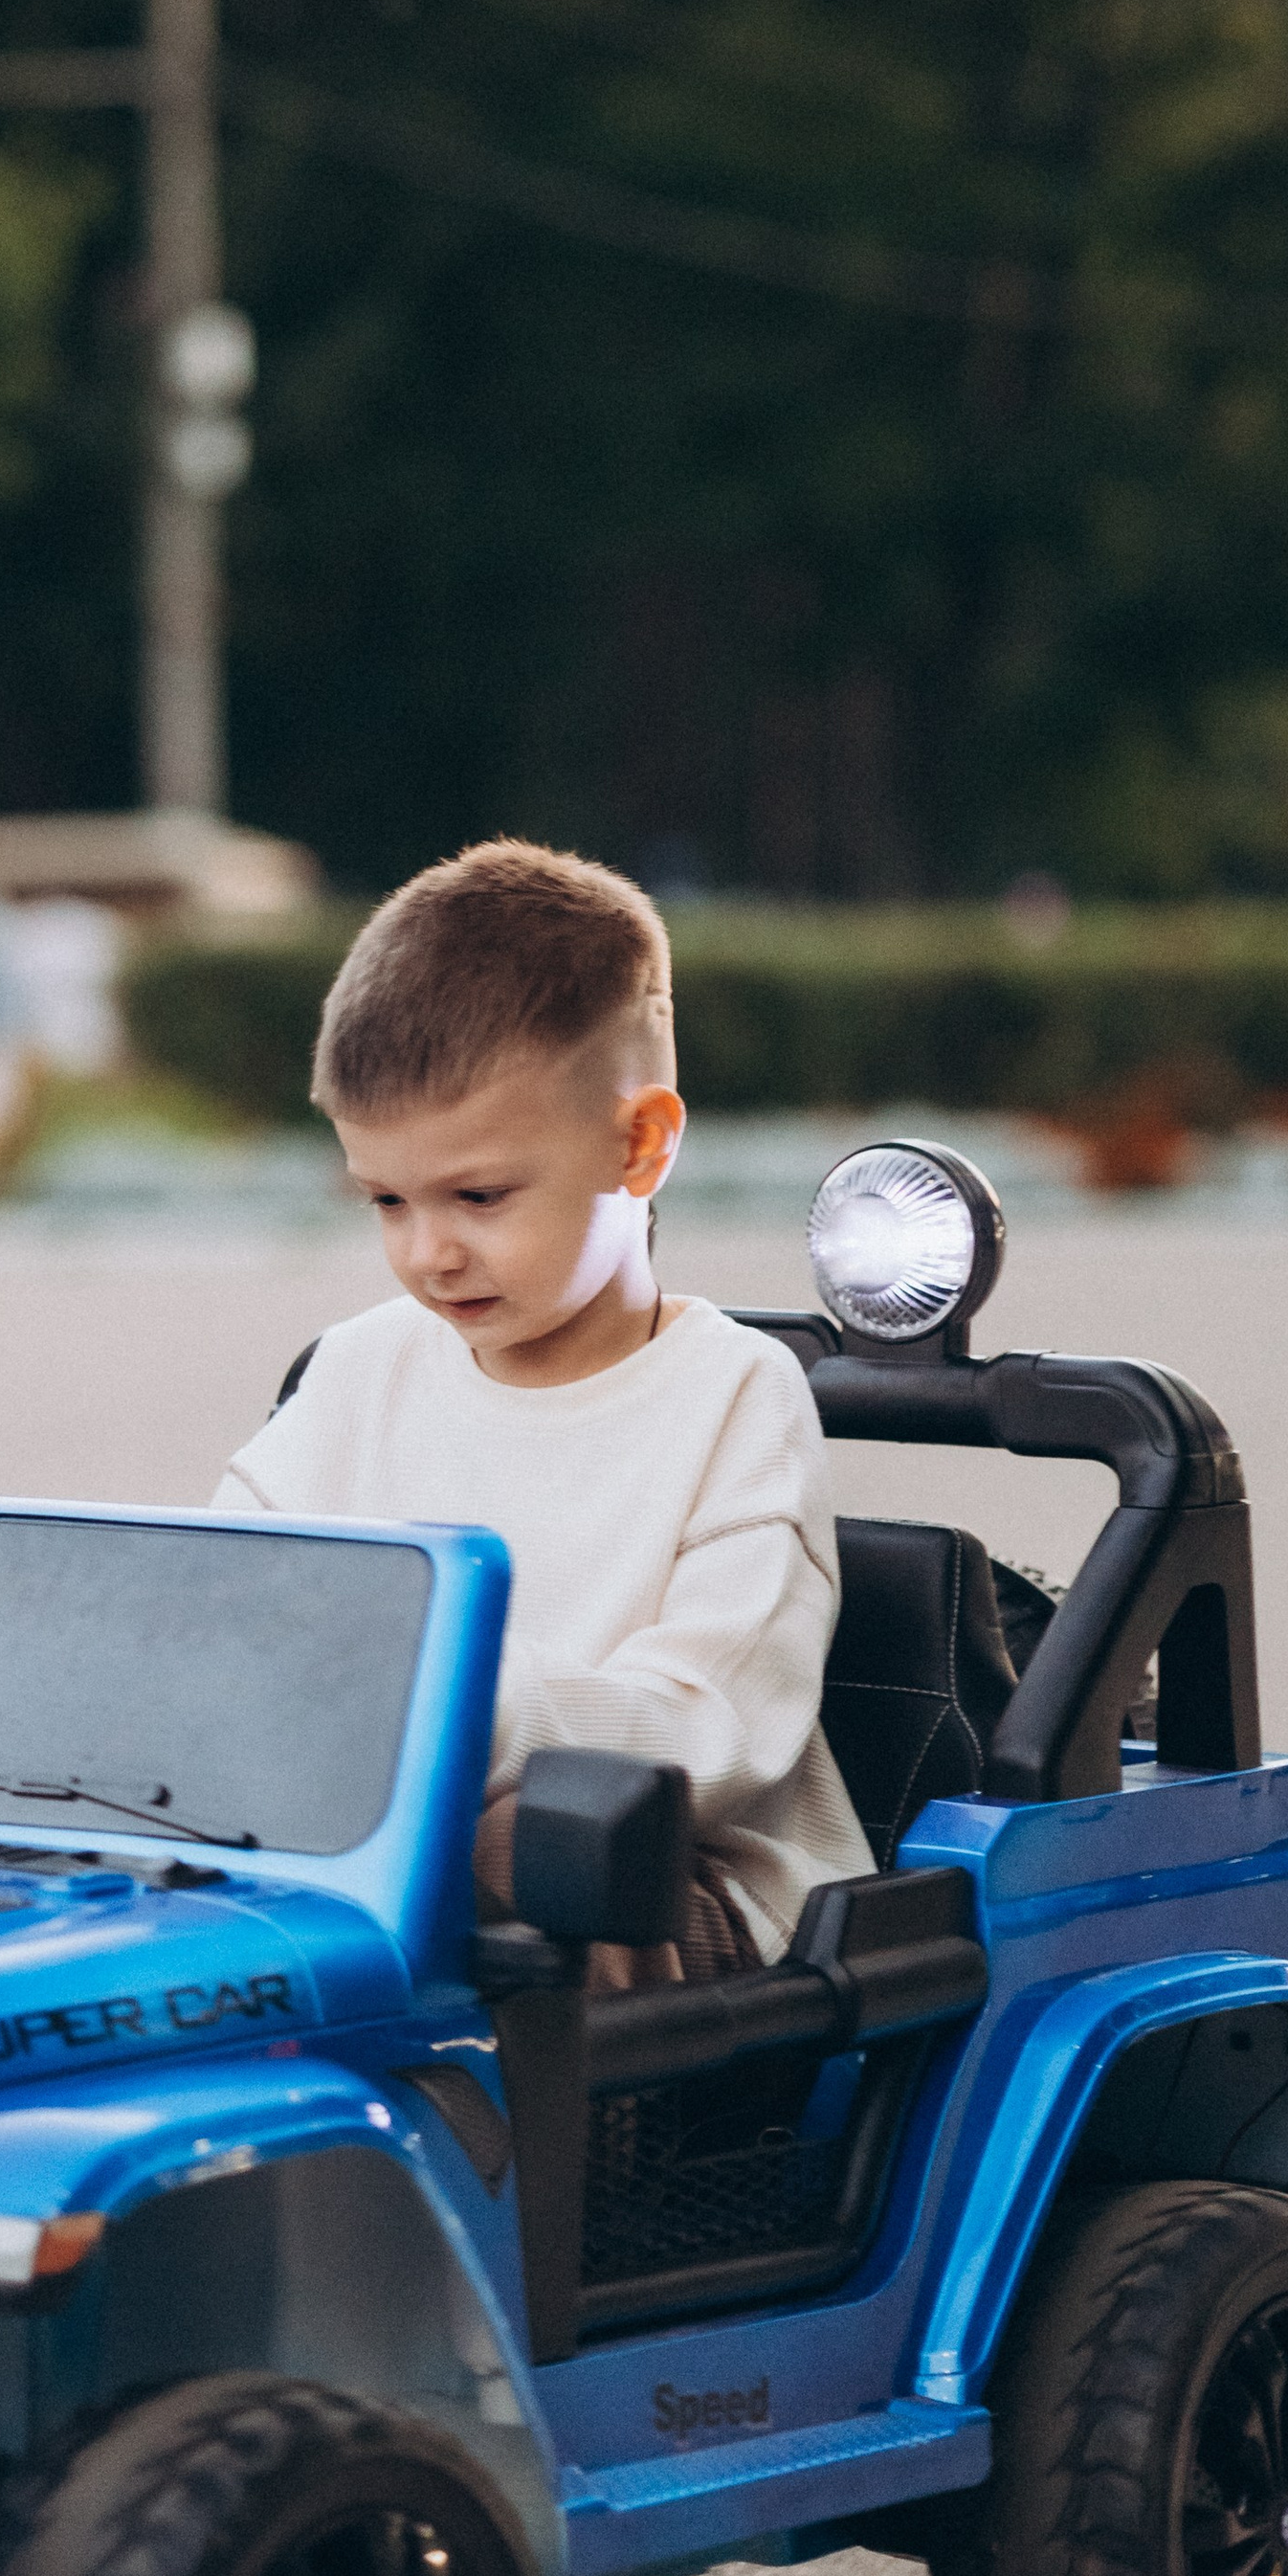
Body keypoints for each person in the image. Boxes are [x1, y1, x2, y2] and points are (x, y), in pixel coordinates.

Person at [214, 840, 871, 1986]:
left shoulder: (731, 1396)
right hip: (389, 1838)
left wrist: (459, 1695)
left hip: (683, 1888)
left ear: (638, 1143)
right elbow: (225, 1590)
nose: (428, 1252)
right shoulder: (361, 1371)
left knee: (520, 1861)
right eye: (387, 1199)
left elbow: (711, 1726)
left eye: (478, 1195)